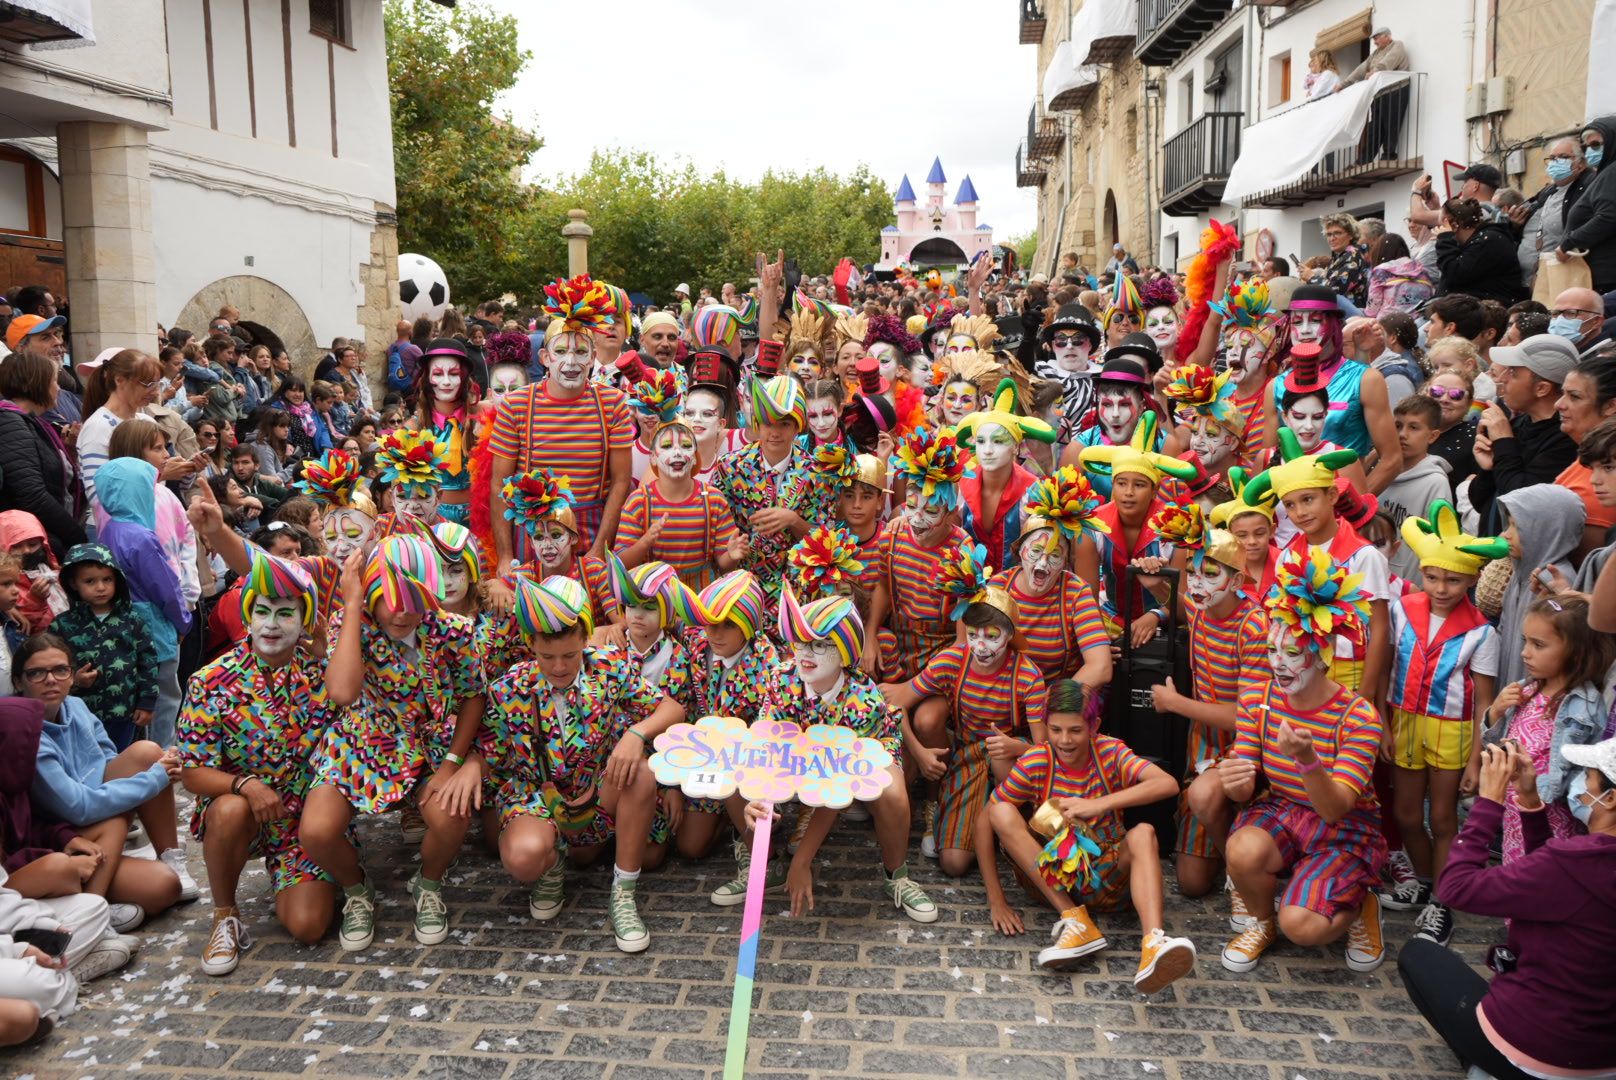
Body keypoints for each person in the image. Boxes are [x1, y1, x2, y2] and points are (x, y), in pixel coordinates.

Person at [482, 575, 681, 952]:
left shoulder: (608, 668)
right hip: (538, 800)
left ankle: (623, 895)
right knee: (524, 857)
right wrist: (460, 768)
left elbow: (671, 707)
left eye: (570, 655)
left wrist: (635, 735)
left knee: (639, 770)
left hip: (597, 794)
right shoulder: (508, 688)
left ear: (585, 641)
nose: (559, 667)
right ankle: (551, 863)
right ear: (530, 646)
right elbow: (489, 753)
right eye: (546, 656)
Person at [1401, 737, 1616, 1080]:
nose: (1581, 784)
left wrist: (1489, 802)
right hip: (1603, 1056)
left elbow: (1455, 887)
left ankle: (1485, 1065)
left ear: (1611, 798)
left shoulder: (1573, 863)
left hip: (1540, 1052)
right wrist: (1530, 801)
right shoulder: (1579, 864)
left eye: (1587, 777)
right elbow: (1546, 879)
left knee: (1418, 956)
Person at [1216, 547, 1386, 974]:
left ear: (1323, 655)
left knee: (1303, 927)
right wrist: (1235, 778)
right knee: (1242, 848)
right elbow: (1245, 788)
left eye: (1292, 653)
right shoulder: (1258, 694)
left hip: (1342, 828)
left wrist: (1308, 759)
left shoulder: (1358, 716)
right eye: (1273, 651)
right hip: (1284, 808)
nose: (1278, 664)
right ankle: (1261, 922)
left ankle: (1361, 903)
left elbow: (1336, 808)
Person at [177, 551, 341, 971]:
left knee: (309, 926)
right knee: (229, 810)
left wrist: (325, 656)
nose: (271, 624)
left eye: (285, 614)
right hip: (244, 815)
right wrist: (245, 785)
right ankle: (225, 915)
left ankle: (326, 871)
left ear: (304, 622)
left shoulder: (322, 673)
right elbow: (193, 773)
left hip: (302, 821)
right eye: (262, 612)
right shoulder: (211, 681)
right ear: (247, 617)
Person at [985, 679, 1197, 992]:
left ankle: (1153, 943)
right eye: (1055, 730)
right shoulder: (1036, 760)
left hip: (1108, 876)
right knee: (1000, 810)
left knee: (1144, 833)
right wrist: (996, 900)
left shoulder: (1110, 751)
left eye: (1075, 730)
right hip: (1054, 880)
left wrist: (1098, 804)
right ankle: (1076, 921)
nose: (1065, 740)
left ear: (1094, 726)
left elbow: (1166, 783)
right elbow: (985, 819)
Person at [1377, 503, 1505, 947]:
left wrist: (1476, 761)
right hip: (1404, 721)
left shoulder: (1481, 633)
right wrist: (1383, 724)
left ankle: (1443, 904)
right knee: (1407, 813)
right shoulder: (1401, 610)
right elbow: (1386, 666)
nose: (1441, 587)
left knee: (1445, 817)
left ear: (1471, 579)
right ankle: (1427, 880)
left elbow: (1483, 704)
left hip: (1452, 730)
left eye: (1453, 579)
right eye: (1432, 577)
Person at [769, 586, 937, 923]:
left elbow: (837, 789)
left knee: (893, 794)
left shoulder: (863, 700)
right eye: (801, 642)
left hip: (865, 753)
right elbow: (765, 746)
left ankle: (897, 876)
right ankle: (762, 864)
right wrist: (760, 800)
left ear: (845, 651)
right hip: (805, 755)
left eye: (820, 645)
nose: (806, 654)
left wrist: (803, 860)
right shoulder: (780, 680)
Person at [882, 558, 1048, 878]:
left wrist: (1015, 747)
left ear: (1010, 634)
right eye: (973, 635)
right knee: (953, 863)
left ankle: (1013, 830)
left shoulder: (1028, 676)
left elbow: (1043, 748)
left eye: (992, 635)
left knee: (1001, 759)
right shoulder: (953, 660)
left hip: (1014, 755)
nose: (981, 646)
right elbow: (892, 699)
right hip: (970, 753)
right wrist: (917, 751)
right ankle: (972, 821)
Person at [15, 634, 192, 926]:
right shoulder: (27, 732)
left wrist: (154, 773)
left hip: (99, 815)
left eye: (60, 670)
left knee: (167, 886)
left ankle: (170, 855)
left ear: (72, 676)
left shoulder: (76, 706)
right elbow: (77, 807)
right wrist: (154, 780)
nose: (50, 679)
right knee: (153, 876)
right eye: (36, 673)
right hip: (61, 836)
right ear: (19, 681)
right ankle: (91, 913)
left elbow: (108, 757)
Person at [490, 276, 632, 570]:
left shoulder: (614, 403)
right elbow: (498, 485)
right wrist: (505, 555)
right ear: (545, 357)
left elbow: (620, 482)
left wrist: (599, 548)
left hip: (590, 531)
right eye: (561, 351)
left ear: (593, 358)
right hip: (532, 535)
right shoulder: (517, 405)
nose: (570, 362)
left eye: (580, 352)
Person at [1491, 593, 1613, 861]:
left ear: (1575, 651)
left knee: (1542, 884)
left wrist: (1534, 792)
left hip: (1552, 821)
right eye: (1525, 641)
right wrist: (1495, 713)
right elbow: (1497, 744)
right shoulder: (1528, 690)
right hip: (1515, 814)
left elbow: (1586, 774)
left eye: (1538, 644)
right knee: (1517, 879)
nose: (1525, 652)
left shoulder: (1584, 706)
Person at [95, 458, 191, 748]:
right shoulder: (141, 537)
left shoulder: (109, 530)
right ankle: (162, 761)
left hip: (122, 629)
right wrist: (183, 621)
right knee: (164, 698)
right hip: (154, 628)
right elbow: (165, 588)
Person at [989, 469, 1112, 690]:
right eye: (1035, 552)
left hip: (1057, 701)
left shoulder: (1076, 593)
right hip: (1006, 695)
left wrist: (1049, 704)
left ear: (1066, 561)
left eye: (1055, 555)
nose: (1042, 564)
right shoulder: (998, 587)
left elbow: (1101, 667)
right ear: (1019, 552)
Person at [49, 544, 158, 752]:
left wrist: (146, 703)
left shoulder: (133, 621)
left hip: (124, 712)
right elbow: (52, 665)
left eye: (107, 579)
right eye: (90, 581)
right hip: (79, 714)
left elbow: (148, 663)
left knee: (121, 759)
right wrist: (74, 681)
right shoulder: (61, 625)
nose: (100, 587)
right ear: (73, 583)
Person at [615, 417, 743, 590]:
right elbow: (622, 563)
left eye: (686, 446)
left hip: (699, 599)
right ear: (652, 457)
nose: (677, 452)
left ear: (695, 458)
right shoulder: (639, 502)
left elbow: (723, 564)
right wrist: (645, 542)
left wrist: (733, 556)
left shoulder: (713, 500)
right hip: (654, 599)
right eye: (667, 446)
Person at [1468, 334, 1580, 529]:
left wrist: (1504, 441)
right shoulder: (1519, 423)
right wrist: (1488, 468)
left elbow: (1520, 504)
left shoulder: (1566, 439)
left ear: (1541, 388)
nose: (1502, 378)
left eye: (1513, 372)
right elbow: (1479, 502)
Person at [955, 379, 1057, 572]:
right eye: (981, 441)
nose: (987, 450)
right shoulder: (961, 484)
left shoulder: (1033, 493)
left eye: (998, 441)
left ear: (1016, 446)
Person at [0, 351, 85, 560]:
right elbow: (32, 495)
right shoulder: (11, 423)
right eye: (54, 381)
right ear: (36, 383)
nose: (59, 388)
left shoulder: (30, 422)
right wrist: (76, 536)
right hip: (36, 543)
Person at [1378, 397, 1453, 577]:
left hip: (1410, 585)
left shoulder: (1435, 482)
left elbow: (1437, 541)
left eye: (1413, 427)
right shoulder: (1381, 473)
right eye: (1398, 426)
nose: (1403, 434)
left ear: (1432, 436)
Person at [1553, 354, 1616, 556]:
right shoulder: (1585, 456)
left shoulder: (1606, 486)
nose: (1559, 404)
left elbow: (1591, 571)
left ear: (1610, 406)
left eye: (1575, 396)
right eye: (1563, 394)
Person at [1558, 115, 1616, 293]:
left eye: (1596, 145)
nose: (1590, 150)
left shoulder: (1612, 172)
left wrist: (1569, 242)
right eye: (1587, 146)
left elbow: (1609, 216)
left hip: (1606, 277)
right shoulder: (1605, 173)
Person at [1434, 197, 1526, 304]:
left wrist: (1445, 239)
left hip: (1493, 311)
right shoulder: (1475, 242)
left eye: (1442, 226)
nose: (1438, 231)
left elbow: (1454, 274)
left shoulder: (1489, 241)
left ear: (1454, 226)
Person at [1423, 369, 1479, 497]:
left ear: (1469, 403)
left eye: (1456, 395)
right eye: (1437, 392)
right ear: (1426, 394)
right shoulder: (1406, 426)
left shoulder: (1477, 435)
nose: (1444, 399)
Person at [1320, 215, 1371, 309]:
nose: (1332, 238)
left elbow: (1335, 290)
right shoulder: (1339, 257)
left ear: (1351, 235)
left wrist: (1312, 278)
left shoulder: (1353, 255)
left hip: (1352, 317)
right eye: (1329, 234)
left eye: (1337, 233)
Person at [1546, 285, 1606, 350]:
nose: (1559, 320)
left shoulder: (1606, 356)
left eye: (1571, 313)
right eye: (1555, 313)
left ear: (1597, 321)